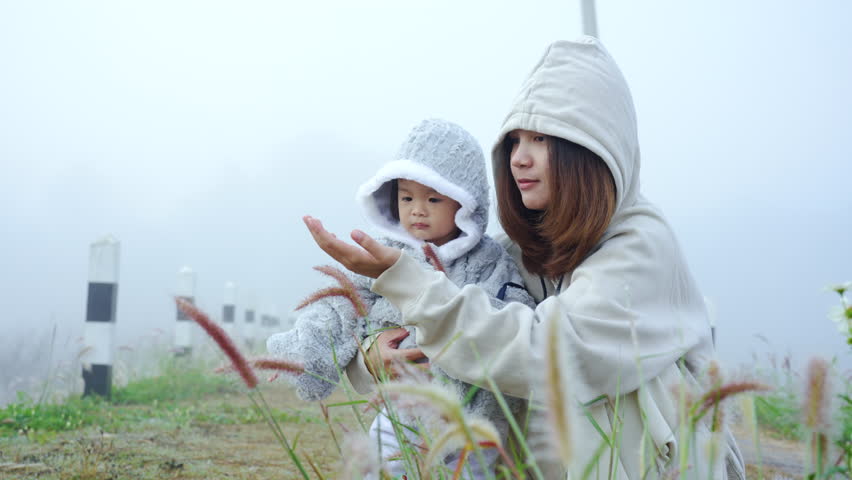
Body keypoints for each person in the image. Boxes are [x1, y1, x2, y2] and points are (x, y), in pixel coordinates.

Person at [303, 37, 746, 480]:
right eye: (514, 141)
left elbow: (546, 354)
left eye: (540, 139)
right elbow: (452, 320)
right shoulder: (520, 247)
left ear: (592, 148)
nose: (519, 158)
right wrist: (371, 356)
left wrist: (404, 279)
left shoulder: (641, 246)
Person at [268, 118, 535, 479]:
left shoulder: (490, 263)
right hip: (399, 412)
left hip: (472, 421)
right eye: (406, 197)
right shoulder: (381, 256)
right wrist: (303, 352)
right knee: (382, 468)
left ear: (465, 202)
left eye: (433, 198)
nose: (417, 210)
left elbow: (509, 316)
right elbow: (340, 305)